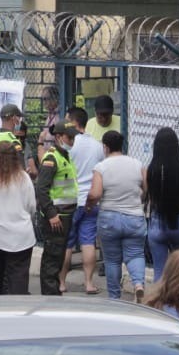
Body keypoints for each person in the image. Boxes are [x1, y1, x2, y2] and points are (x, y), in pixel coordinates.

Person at [89, 129, 148, 300]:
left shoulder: (101, 167)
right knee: (136, 254)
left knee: (112, 260)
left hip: (109, 218)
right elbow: (146, 189)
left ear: (105, 147)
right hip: (134, 216)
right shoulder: (137, 164)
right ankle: (138, 284)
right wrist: (138, 200)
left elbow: (96, 193)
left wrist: (89, 203)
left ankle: (115, 297)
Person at [0, 140, 37, 294]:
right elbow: (32, 206)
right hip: (22, 237)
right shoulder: (24, 178)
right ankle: (18, 311)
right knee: (19, 279)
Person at [59, 106, 104, 295]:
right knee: (88, 242)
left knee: (67, 243)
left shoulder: (68, 144)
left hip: (70, 199)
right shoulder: (97, 145)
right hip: (91, 200)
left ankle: (61, 282)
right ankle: (88, 283)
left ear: (74, 122)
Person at [145, 126, 179, 280]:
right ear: (176, 146)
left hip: (157, 221)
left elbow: (150, 196)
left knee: (159, 271)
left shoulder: (151, 169)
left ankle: (159, 303)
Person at [36, 123, 79, 295]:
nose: (72, 141)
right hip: (56, 218)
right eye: (70, 138)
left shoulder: (64, 156)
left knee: (58, 257)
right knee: (52, 259)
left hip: (65, 215)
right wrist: (51, 214)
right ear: (59, 137)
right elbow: (41, 189)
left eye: (74, 138)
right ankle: (49, 297)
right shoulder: (51, 158)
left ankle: (53, 294)